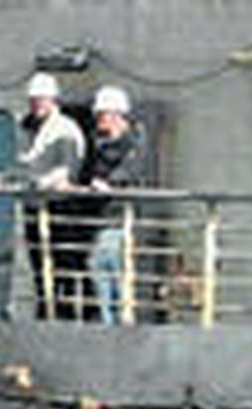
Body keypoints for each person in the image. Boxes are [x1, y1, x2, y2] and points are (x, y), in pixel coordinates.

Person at [18, 72, 88, 320]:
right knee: (38, 265)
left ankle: (65, 313)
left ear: (53, 100)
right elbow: (23, 165)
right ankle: (44, 309)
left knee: (62, 265)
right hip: (33, 207)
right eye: (33, 100)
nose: (36, 105)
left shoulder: (66, 129)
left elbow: (70, 170)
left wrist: (41, 182)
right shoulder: (27, 129)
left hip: (59, 208)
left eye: (41, 100)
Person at [84, 85, 149, 325]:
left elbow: (131, 170)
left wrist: (109, 183)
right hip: (103, 219)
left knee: (112, 267)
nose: (99, 120)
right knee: (101, 268)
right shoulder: (99, 144)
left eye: (102, 115)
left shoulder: (134, 142)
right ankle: (108, 321)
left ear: (117, 115)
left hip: (120, 218)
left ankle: (120, 322)